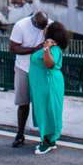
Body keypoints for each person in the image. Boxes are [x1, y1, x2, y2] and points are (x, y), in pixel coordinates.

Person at [8, 10, 49, 147]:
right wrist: (33, 49)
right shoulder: (21, 26)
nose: (42, 29)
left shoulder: (49, 25)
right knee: (23, 103)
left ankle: (46, 137)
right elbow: (13, 48)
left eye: (44, 26)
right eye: (40, 27)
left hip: (41, 70)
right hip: (23, 68)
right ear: (34, 21)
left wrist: (48, 35)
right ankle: (20, 134)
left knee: (43, 104)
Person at [28, 21, 69, 155]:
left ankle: (45, 142)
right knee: (44, 109)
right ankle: (50, 140)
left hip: (48, 83)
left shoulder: (53, 49)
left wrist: (46, 49)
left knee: (45, 109)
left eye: (47, 28)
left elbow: (49, 64)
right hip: (41, 84)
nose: (45, 28)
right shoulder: (47, 46)